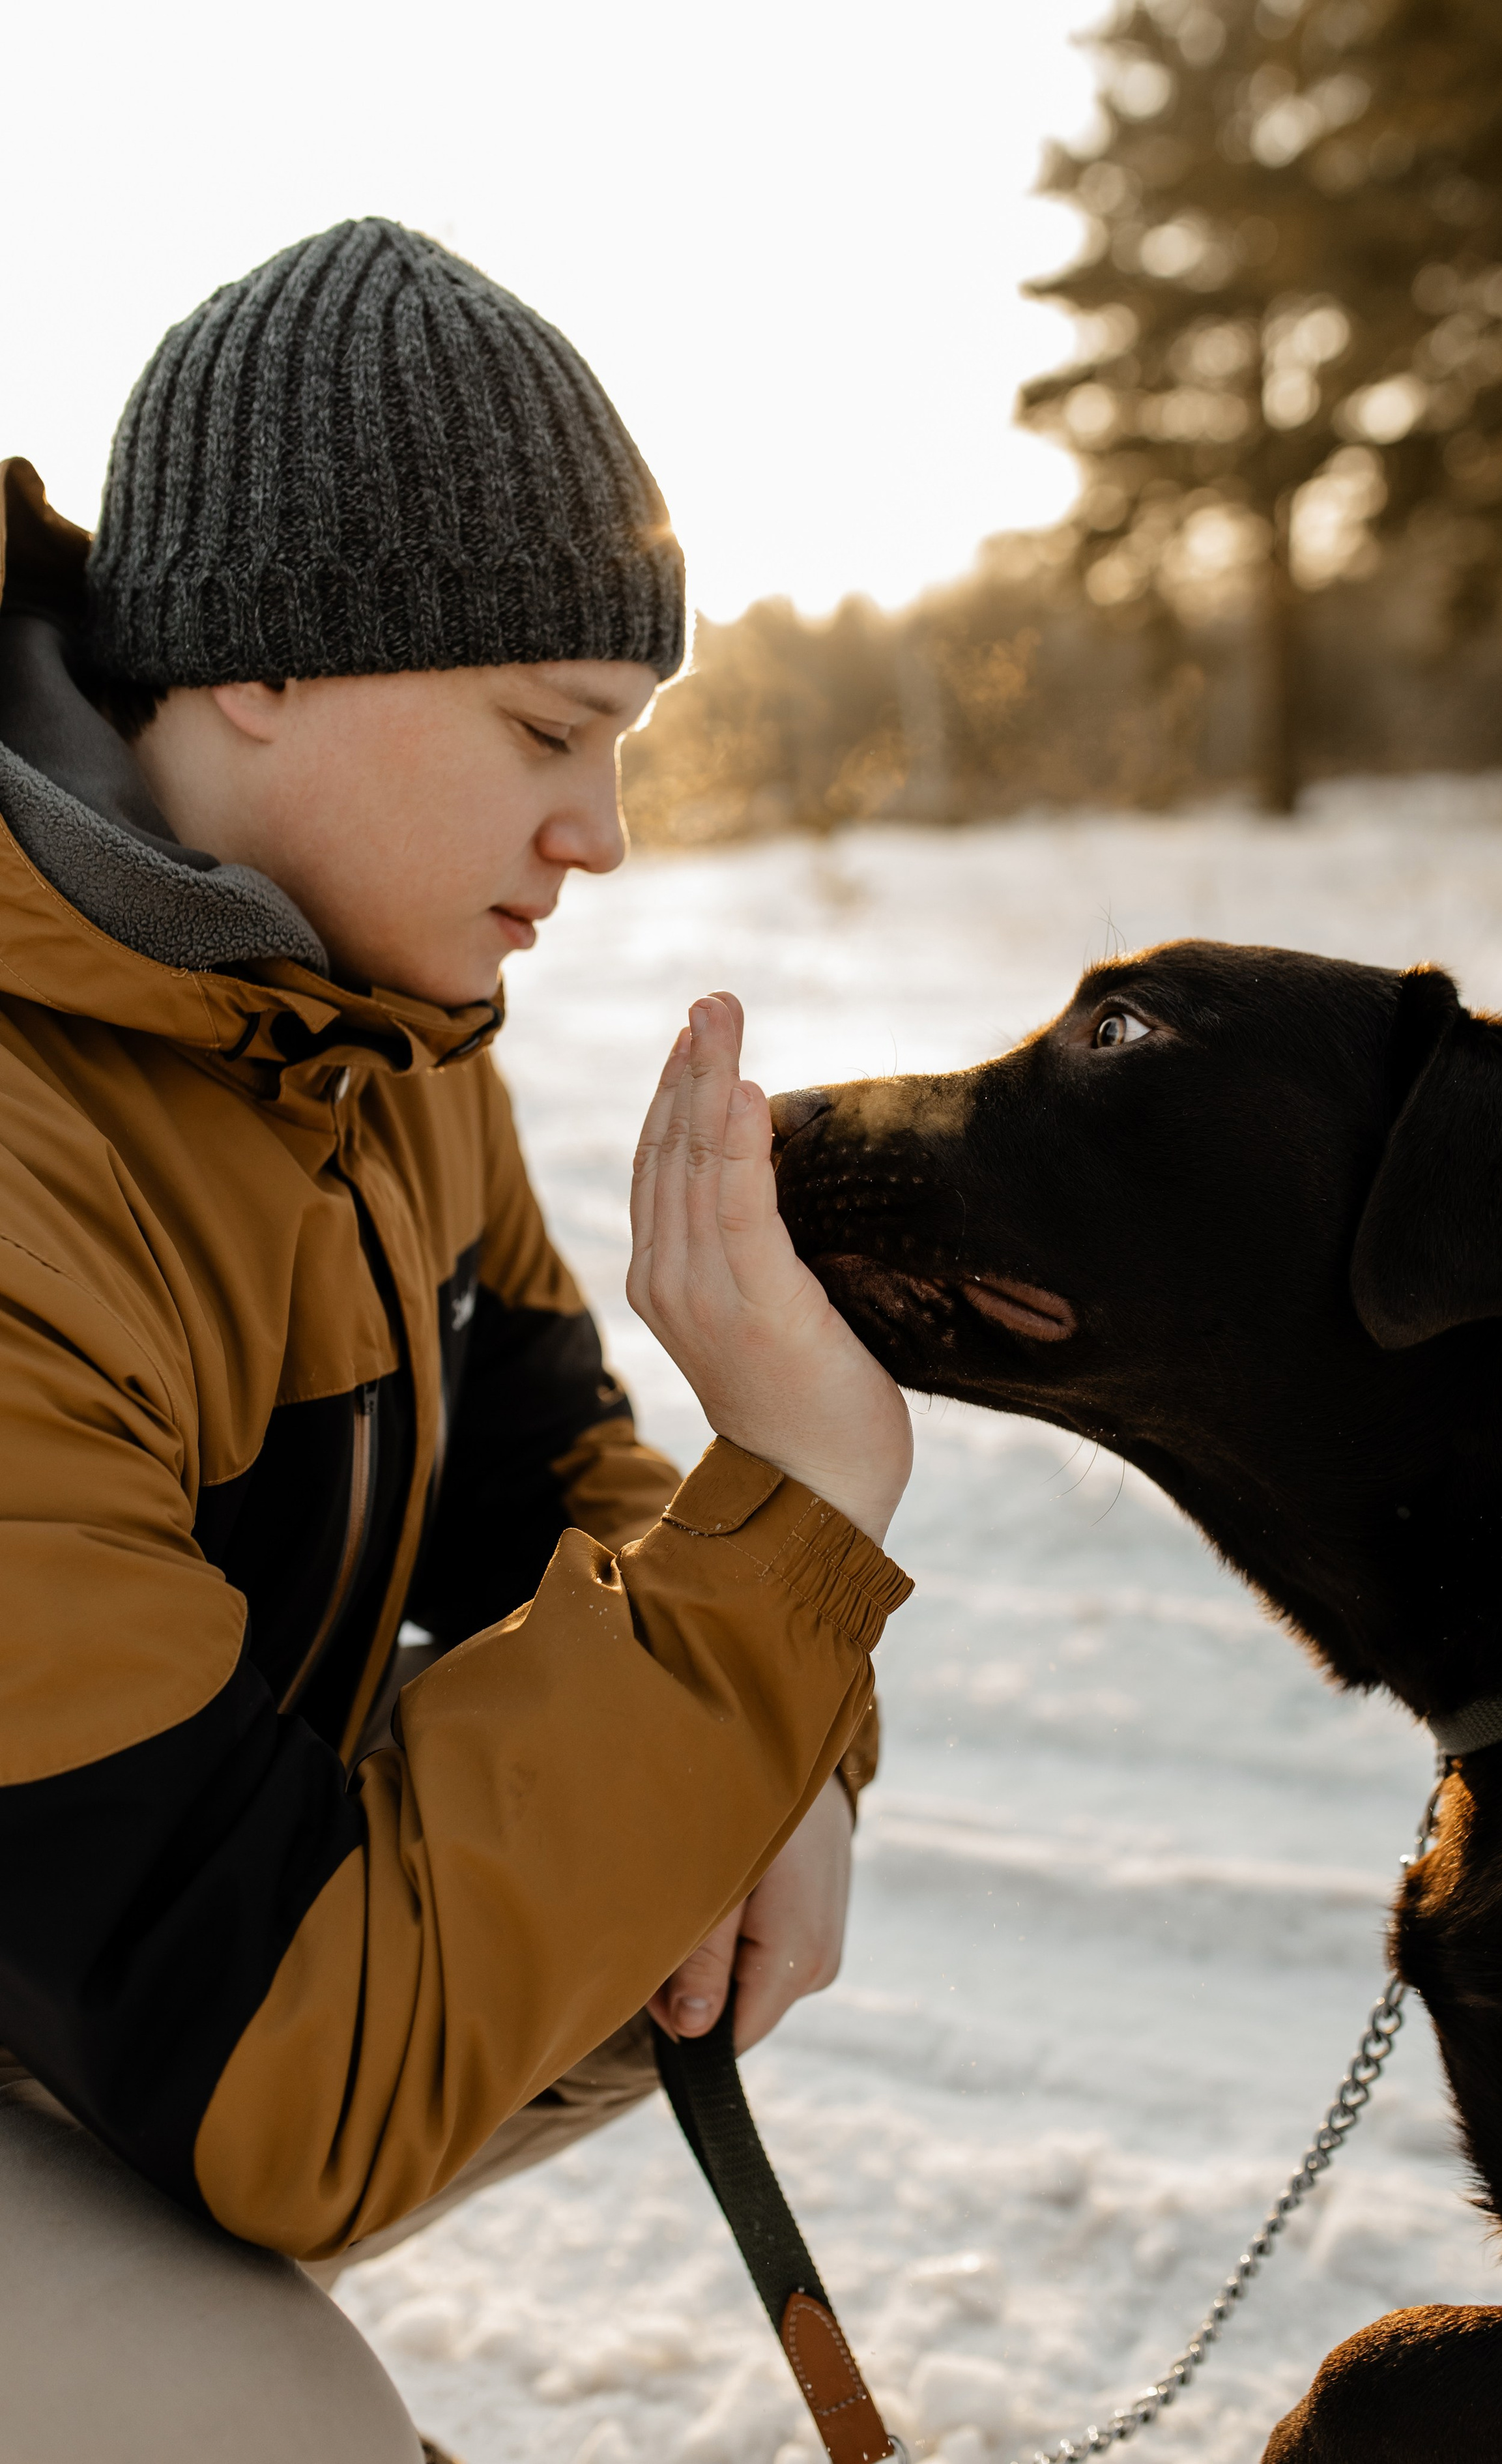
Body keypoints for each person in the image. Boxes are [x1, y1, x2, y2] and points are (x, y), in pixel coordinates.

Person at [0, 218, 914, 2463]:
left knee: (644, 1912)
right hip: (126, 1995)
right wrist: (791, 1525)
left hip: (81, 1967)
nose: (598, 835)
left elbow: (550, 1493)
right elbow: (292, 2074)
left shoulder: (373, 1041)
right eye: (546, 730)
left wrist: (783, 1726)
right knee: (265, 2427)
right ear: (263, 668)